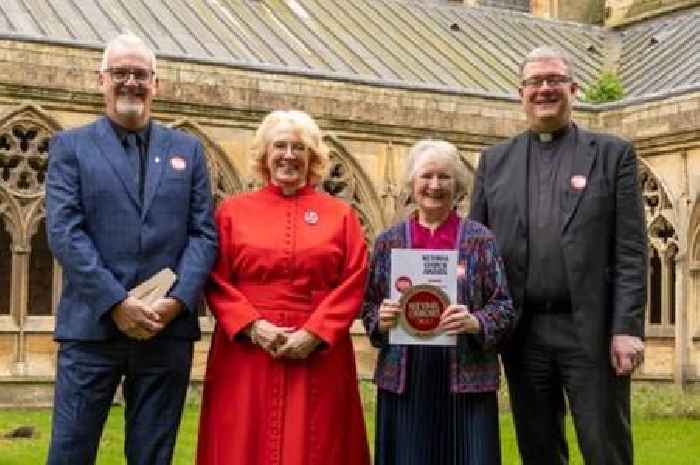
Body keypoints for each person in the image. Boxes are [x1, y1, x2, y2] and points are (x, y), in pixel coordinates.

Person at [45, 34, 217, 465]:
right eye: (120, 73)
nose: (130, 82)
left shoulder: (188, 151)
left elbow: (203, 235)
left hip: (165, 332)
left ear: (156, 84)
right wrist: (116, 301)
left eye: (140, 74)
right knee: (70, 452)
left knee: (152, 456)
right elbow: (66, 232)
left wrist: (177, 303)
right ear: (101, 80)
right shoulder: (71, 147)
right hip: (92, 329)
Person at [469, 46, 647, 465]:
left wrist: (626, 327)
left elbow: (631, 251)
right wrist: (477, 331)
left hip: (592, 331)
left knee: (605, 449)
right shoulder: (494, 162)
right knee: (538, 450)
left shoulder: (612, 155)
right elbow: (476, 252)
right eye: (535, 82)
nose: (544, 89)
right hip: (523, 333)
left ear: (574, 88)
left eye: (554, 80)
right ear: (521, 93)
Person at [197, 110, 371, 465]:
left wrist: (316, 332)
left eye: (299, 148)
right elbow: (214, 277)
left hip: (319, 353)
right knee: (242, 442)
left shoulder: (340, 215)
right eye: (280, 146)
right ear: (264, 154)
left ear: (313, 158)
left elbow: (356, 278)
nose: (289, 155)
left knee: (319, 444)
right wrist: (252, 326)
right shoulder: (231, 212)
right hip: (247, 351)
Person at [361, 139, 515, 465]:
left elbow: (503, 306)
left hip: (465, 379)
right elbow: (369, 306)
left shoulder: (480, 240)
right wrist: (382, 319)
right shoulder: (389, 242)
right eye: (426, 176)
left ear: (458, 185)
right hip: (406, 377)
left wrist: (475, 322)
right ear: (412, 184)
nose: (435, 185)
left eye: (444, 177)